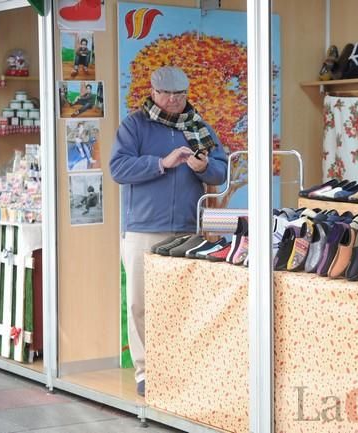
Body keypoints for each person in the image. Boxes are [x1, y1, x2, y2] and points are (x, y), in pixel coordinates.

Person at [109, 66, 228, 397]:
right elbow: (118, 168)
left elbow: (221, 170)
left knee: (182, 303)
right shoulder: (135, 125)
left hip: (188, 228)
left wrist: (205, 167)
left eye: (180, 95)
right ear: (153, 92)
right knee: (140, 303)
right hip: (143, 229)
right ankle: (146, 371)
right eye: (167, 95)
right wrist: (162, 162)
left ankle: (179, 366)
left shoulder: (199, 127)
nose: (174, 101)